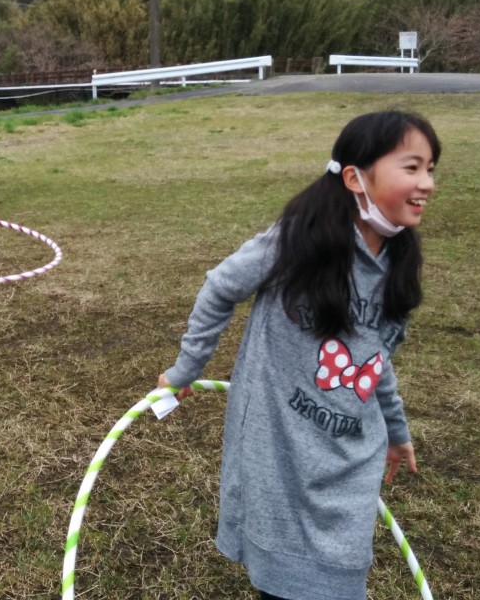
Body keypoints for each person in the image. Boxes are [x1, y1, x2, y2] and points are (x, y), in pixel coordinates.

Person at [157, 110, 440, 600]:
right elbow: (220, 288)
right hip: (281, 451)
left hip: (350, 457)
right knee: (287, 582)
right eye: (412, 167)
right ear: (355, 177)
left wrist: (396, 431)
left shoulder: (400, 264)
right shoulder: (297, 242)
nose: (428, 184)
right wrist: (186, 369)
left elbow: (374, 361)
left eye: (431, 169)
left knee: (339, 578)